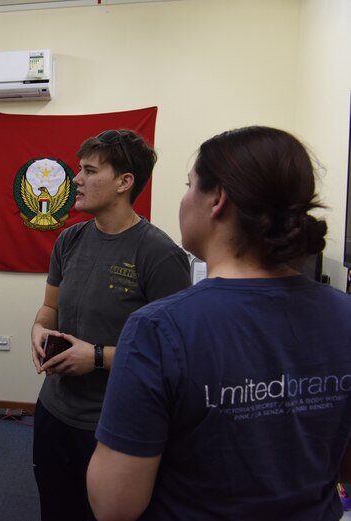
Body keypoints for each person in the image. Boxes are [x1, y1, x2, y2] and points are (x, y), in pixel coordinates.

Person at [87, 126, 351, 520]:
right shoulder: (344, 315)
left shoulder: (159, 329)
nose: (183, 198)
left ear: (217, 200)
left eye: (189, 184)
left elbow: (115, 506)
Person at [30, 129, 191, 520]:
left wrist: (97, 357)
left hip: (113, 423)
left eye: (89, 170)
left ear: (124, 182)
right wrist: (38, 329)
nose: (76, 180)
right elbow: (49, 307)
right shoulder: (69, 240)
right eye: (78, 169)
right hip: (53, 410)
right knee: (55, 508)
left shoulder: (160, 254)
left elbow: (174, 355)